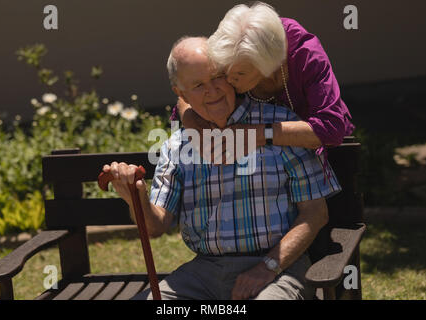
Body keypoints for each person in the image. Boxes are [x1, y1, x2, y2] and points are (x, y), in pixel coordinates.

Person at [103, 37, 341, 300]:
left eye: (217, 77)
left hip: (279, 268)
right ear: (181, 94)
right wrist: (135, 197)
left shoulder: (281, 127)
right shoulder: (177, 145)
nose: (212, 90)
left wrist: (267, 267)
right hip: (205, 273)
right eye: (198, 85)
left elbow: (316, 213)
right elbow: (156, 227)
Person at [175, 1, 354, 159]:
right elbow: (191, 87)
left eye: (239, 75)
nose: (227, 80)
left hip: (327, 158)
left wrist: (259, 134)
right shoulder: (234, 44)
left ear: (268, 67)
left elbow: (331, 127)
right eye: (223, 71)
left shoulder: (305, 54)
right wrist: (189, 118)